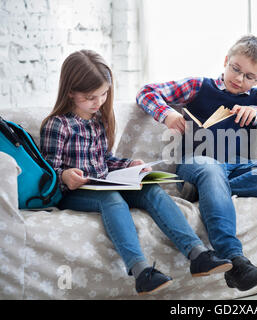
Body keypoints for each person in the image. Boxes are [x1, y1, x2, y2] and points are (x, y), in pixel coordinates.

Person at [39, 50, 233, 295]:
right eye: (90, 97)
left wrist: (130, 165)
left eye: (103, 94)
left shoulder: (98, 119)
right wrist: (65, 176)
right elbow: (47, 173)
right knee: (112, 199)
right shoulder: (58, 124)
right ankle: (141, 272)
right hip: (75, 191)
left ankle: (198, 255)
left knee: (150, 188)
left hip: (102, 182)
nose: (98, 101)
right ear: (70, 92)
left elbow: (105, 160)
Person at [136, 35, 257, 291]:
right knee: (210, 169)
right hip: (199, 163)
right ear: (226, 61)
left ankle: (210, 191)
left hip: (239, 166)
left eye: (249, 76)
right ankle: (235, 260)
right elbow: (147, 92)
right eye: (235, 69)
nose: (239, 79)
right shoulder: (198, 86)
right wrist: (167, 113)